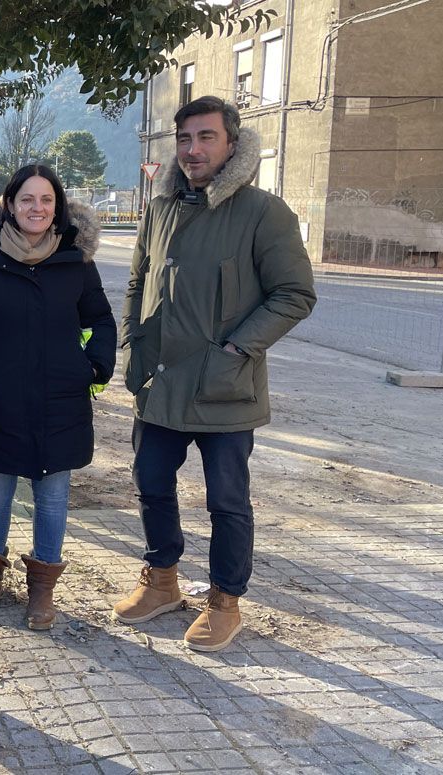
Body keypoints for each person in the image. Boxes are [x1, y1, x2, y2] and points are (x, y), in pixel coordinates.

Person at [114, 96, 316, 651]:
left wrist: (236, 348)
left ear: (231, 144)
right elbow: (138, 284)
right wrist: (132, 345)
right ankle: (161, 582)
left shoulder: (262, 212)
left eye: (205, 137)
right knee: (151, 484)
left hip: (225, 387)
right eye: (184, 139)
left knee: (227, 500)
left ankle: (225, 600)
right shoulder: (158, 208)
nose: (193, 149)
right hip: (159, 382)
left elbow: (295, 294)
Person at [0, 165, 115, 629]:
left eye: (46, 201)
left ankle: (42, 589)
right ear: (9, 205)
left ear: (57, 207)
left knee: (52, 496)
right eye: (27, 200)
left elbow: (101, 320)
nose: (37, 209)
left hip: (61, 400)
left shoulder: (76, 261)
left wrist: (93, 367)